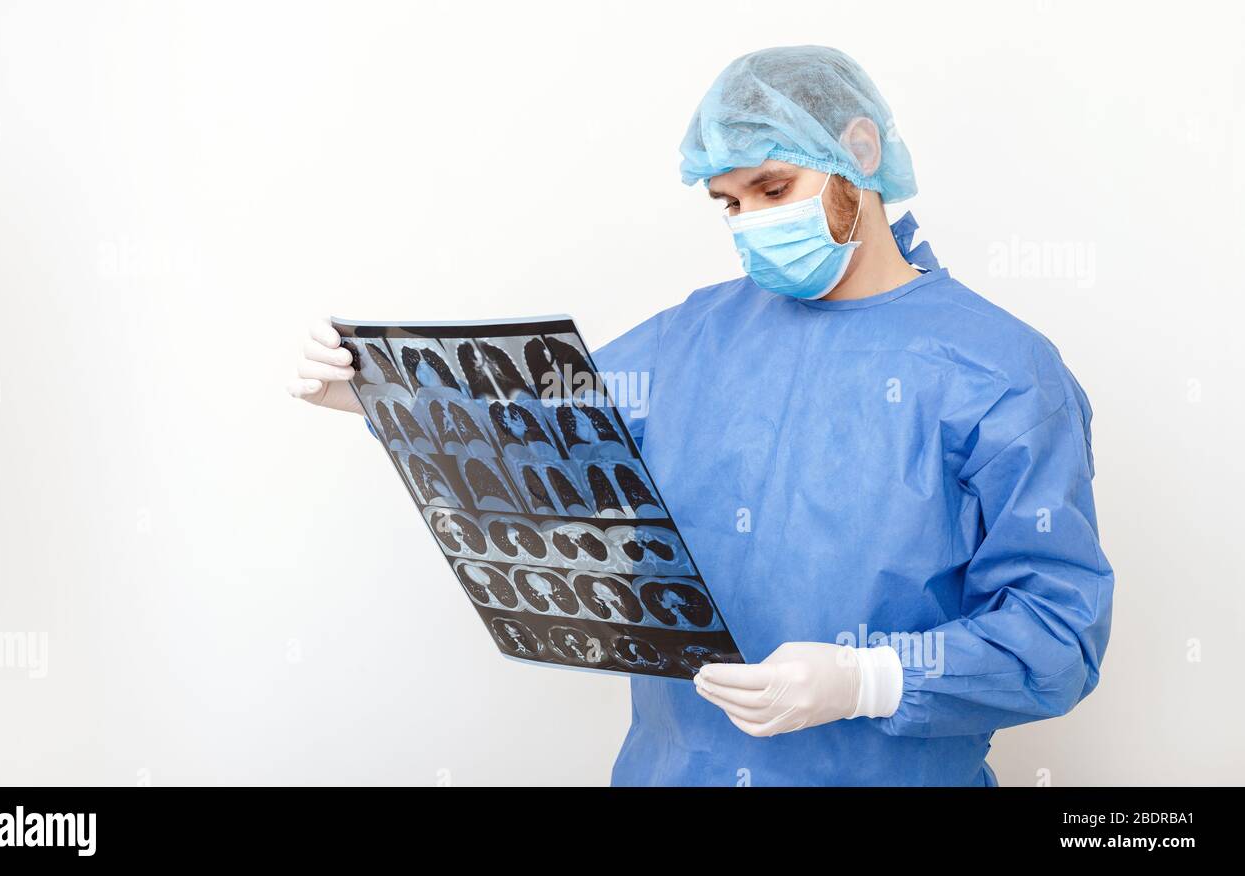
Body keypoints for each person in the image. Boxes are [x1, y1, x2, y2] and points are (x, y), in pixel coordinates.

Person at [288, 45, 1114, 786]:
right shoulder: (694, 336)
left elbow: (1057, 634)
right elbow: (535, 438)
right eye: (730, 203)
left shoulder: (1001, 371)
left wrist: (869, 681)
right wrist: (378, 393)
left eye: (774, 188)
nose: (754, 223)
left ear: (860, 154)